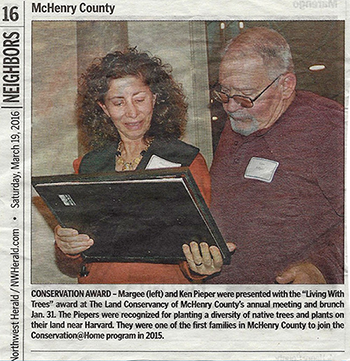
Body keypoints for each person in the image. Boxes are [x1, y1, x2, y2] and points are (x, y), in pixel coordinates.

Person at [184, 27, 344, 284]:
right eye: (224, 92)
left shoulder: (328, 127)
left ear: (285, 85)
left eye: (245, 97)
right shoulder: (240, 121)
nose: (231, 108)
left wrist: (323, 269)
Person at [54, 48, 218, 284]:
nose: (132, 113)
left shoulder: (187, 160)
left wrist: (200, 266)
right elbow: (77, 263)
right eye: (118, 102)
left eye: (139, 99)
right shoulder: (88, 164)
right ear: (104, 108)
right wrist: (67, 248)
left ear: (155, 98)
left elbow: (197, 248)